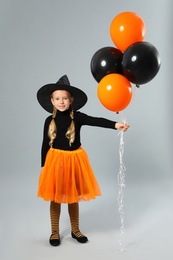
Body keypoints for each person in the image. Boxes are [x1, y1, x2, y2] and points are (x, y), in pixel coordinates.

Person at [37, 75, 129, 247]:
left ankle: (75, 229)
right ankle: (54, 231)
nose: (61, 102)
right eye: (57, 99)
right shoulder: (49, 121)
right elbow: (44, 143)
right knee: (55, 197)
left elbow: (96, 121)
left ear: (71, 100)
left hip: (74, 161)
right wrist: (43, 166)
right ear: (52, 101)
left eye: (65, 98)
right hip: (55, 161)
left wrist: (115, 125)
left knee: (73, 197)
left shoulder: (77, 117)